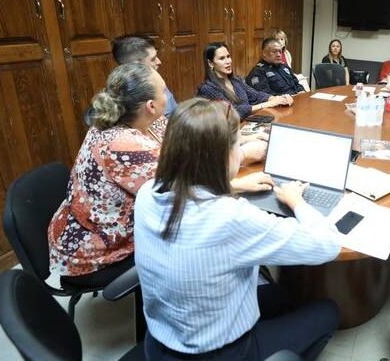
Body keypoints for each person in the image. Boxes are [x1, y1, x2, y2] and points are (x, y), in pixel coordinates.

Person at [134, 98, 341, 360]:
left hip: (160, 342)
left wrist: (236, 185)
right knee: (327, 311)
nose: (240, 153)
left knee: (283, 297)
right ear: (223, 156)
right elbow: (327, 244)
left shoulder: (147, 192)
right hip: (219, 353)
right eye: (238, 145)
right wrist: (296, 201)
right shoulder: (230, 217)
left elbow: (190, 189)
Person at [48, 63, 168, 288]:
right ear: (151, 105)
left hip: (93, 227)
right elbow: (179, 188)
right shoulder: (124, 144)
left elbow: (177, 136)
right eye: (163, 91)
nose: (167, 96)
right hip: (92, 251)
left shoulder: (133, 119)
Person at [196, 42, 293, 119]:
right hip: (226, 134)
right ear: (210, 63)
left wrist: (276, 98)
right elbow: (233, 112)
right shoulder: (207, 89)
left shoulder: (236, 80)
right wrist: (267, 104)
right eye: (222, 58)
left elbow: (256, 95)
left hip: (245, 125)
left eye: (228, 57)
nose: (228, 61)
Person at [112, 34, 177, 117]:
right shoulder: (129, 102)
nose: (159, 62)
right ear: (136, 65)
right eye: (153, 59)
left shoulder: (154, 81)